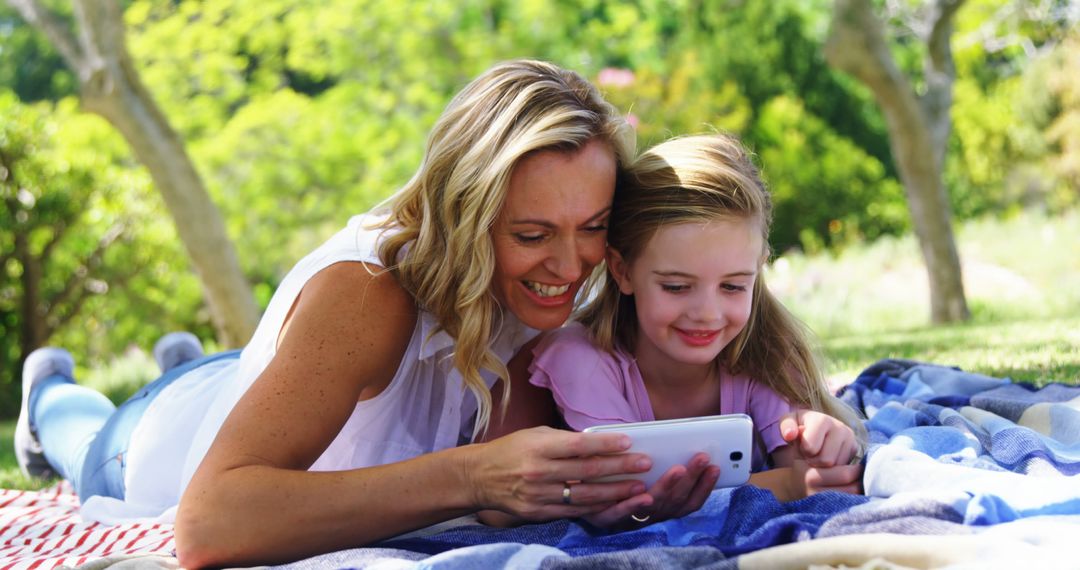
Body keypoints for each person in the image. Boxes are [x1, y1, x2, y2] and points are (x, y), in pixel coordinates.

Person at [14, 59, 659, 568]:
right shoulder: (368, 290)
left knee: (227, 376)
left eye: (593, 227)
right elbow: (208, 524)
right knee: (86, 438)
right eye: (531, 236)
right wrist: (472, 478)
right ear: (465, 218)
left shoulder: (564, 291)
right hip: (150, 445)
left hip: (277, 381)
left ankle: (187, 362)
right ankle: (47, 394)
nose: (572, 266)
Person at [493, 134, 866, 527]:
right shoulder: (581, 360)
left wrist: (821, 440)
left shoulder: (762, 353)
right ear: (622, 271)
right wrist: (784, 485)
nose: (707, 314)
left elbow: (808, 473)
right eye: (676, 286)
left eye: (733, 286)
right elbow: (626, 492)